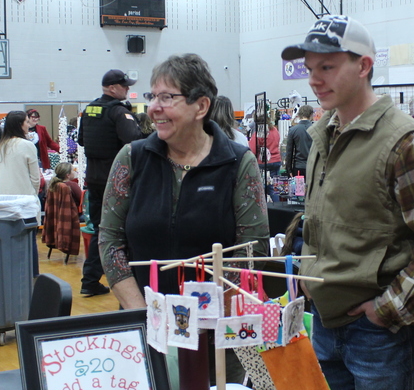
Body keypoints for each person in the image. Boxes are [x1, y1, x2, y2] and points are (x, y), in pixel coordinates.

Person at [279, 15, 414, 390]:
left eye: (327, 67)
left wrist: (387, 310)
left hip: (385, 336)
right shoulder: (323, 135)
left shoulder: (406, 141)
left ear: (363, 66)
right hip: (328, 324)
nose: (315, 79)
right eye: (310, 68)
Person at [99, 54, 269, 305]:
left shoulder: (238, 163)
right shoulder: (132, 158)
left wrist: (200, 316)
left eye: (166, 97)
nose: (153, 108)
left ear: (201, 106)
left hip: (215, 327)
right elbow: (110, 240)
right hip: (145, 321)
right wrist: (145, 313)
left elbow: (251, 248)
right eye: (152, 96)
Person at [77, 69, 142, 297]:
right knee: (123, 230)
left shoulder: (89, 110)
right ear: (113, 87)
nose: (128, 89)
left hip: (93, 179)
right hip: (116, 181)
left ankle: (90, 279)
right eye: (125, 86)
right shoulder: (118, 112)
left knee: (99, 229)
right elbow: (135, 141)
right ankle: (129, 278)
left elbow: (82, 140)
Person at [0, 110, 40, 196]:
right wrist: (33, 196)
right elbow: (35, 178)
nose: (29, 125)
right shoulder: (27, 145)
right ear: (20, 124)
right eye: (27, 122)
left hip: (2, 197)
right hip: (23, 197)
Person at [42, 162, 81, 259]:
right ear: (68, 175)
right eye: (73, 170)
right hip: (71, 217)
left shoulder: (53, 185)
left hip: (56, 218)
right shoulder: (72, 185)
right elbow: (82, 200)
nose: (74, 172)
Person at [248, 116, 281, 199]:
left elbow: (253, 150)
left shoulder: (259, 133)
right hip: (276, 160)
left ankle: (264, 210)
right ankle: (277, 208)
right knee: (274, 188)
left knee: (261, 188)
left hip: (263, 163)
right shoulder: (275, 130)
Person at [284, 104, 314, 177]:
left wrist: (289, 169)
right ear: (311, 114)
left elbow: (289, 152)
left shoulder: (293, 130)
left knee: (298, 188)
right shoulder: (316, 129)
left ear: (299, 115)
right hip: (313, 166)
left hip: (298, 167)